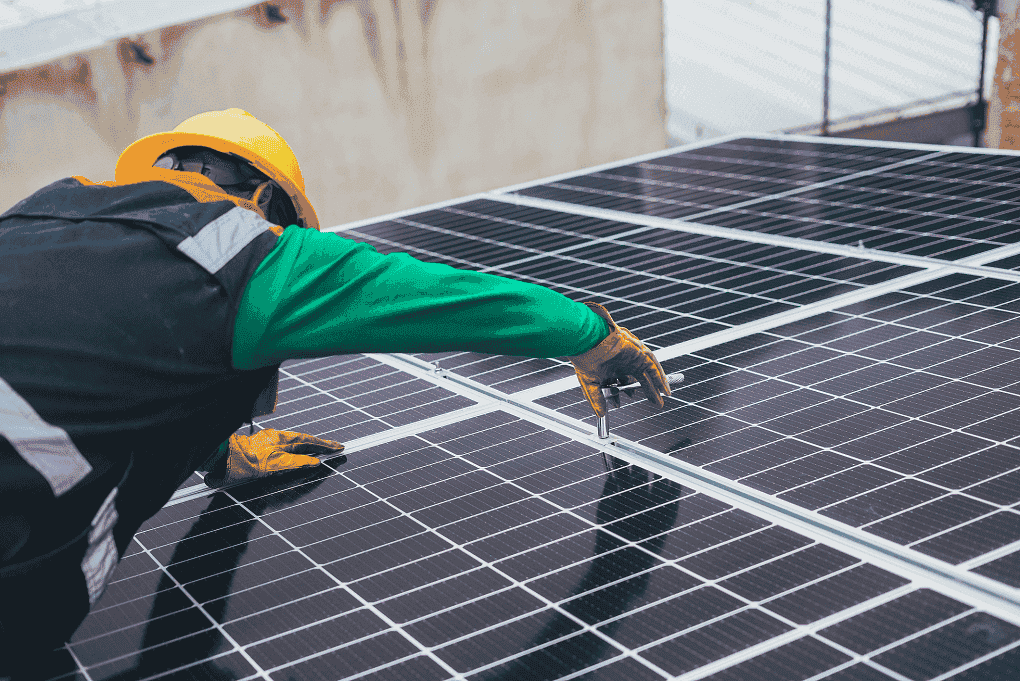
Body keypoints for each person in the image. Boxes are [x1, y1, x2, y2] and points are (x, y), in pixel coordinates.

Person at [0, 108, 669, 671]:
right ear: (266, 201)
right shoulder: (246, 252)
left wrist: (219, 449)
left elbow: (102, 349)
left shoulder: (35, 217)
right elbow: (445, 297)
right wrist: (592, 336)